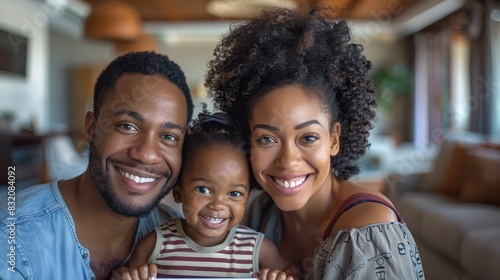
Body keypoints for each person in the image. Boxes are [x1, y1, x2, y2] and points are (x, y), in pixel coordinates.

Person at [205, 7, 425, 280]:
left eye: (308, 137)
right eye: (267, 139)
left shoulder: (368, 231)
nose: (288, 160)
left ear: (333, 139)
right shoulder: (257, 211)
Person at [0, 51, 194, 280]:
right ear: (92, 129)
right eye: (128, 126)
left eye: (169, 137)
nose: (147, 155)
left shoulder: (181, 238)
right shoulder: (12, 239)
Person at [113, 111, 299, 280]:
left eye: (234, 193)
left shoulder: (258, 249)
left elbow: (292, 275)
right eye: (204, 190)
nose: (218, 204)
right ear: (178, 193)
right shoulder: (156, 244)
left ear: (247, 197)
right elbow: (122, 276)